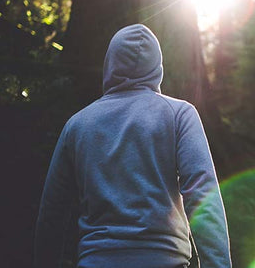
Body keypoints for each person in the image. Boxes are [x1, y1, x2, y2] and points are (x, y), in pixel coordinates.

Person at [34, 24, 232, 268]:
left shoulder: (77, 124)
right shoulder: (179, 114)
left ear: (110, 63)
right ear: (157, 67)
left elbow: (53, 210)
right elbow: (203, 193)